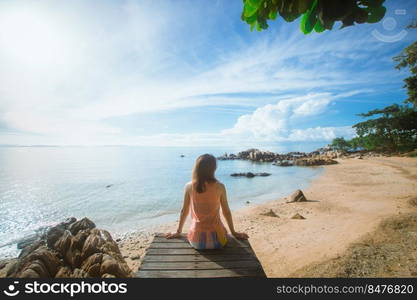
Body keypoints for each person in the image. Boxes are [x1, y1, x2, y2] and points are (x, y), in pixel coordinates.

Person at [166, 154, 248, 249]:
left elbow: (184, 211)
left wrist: (178, 232)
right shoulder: (220, 187)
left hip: (196, 242)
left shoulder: (189, 186)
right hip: (219, 241)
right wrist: (233, 232)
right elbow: (227, 212)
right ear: (214, 169)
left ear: (197, 168)